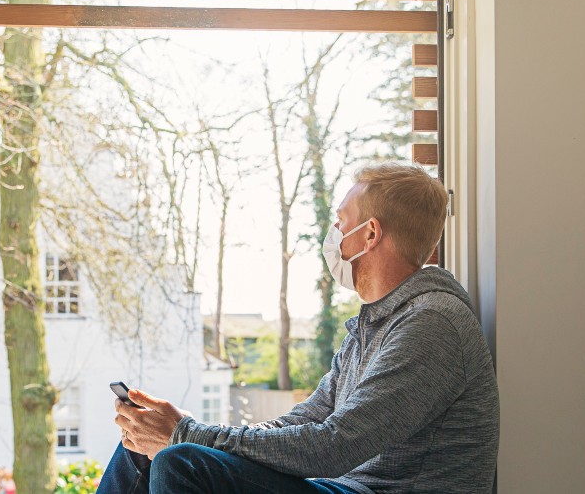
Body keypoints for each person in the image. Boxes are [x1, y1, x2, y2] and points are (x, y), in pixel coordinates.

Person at [98, 163, 499, 494]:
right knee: (141, 446)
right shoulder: (373, 324)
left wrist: (188, 436)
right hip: (343, 486)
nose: (334, 234)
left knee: (180, 461)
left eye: (341, 222)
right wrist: (194, 431)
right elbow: (304, 420)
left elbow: (333, 446)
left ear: (371, 233)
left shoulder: (432, 323)